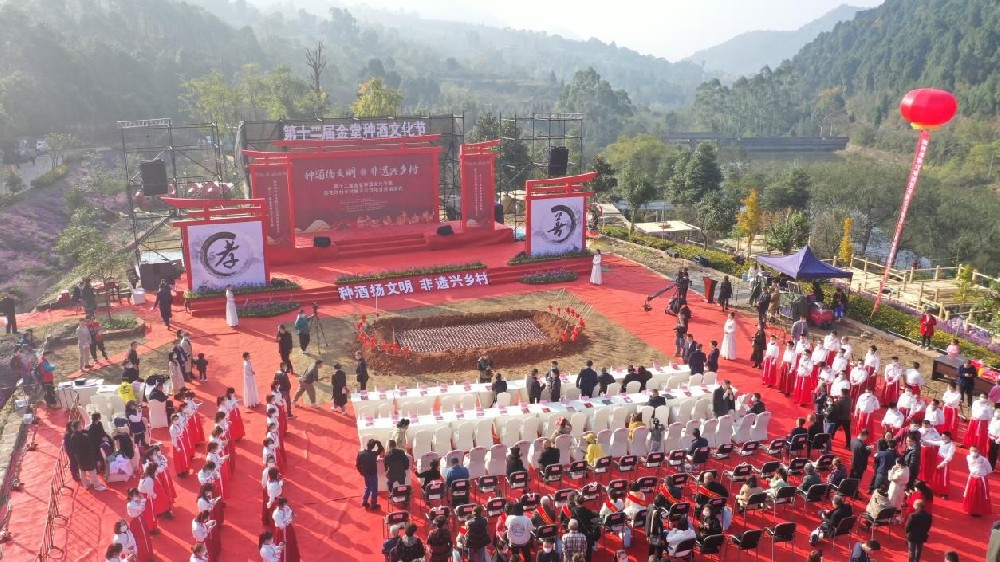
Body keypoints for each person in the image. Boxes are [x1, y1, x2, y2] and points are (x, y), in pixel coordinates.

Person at [963, 446, 992, 516]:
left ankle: (979, 511)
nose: (973, 452)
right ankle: (971, 508)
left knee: (979, 496)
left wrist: (981, 474)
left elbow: (989, 469)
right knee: (971, 494)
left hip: (980, 480)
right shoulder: (968, 457)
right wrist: (973, 471)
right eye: (971, 450)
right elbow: (969, 466)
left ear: (978, 451)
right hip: (972, 478)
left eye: (975, 451)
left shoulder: (984, 460)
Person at [356, 439, 384, 510]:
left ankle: (364, 501)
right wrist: (378, 443)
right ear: (373, 447)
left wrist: (361, 471)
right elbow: (381, 449)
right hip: (373, 474)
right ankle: (373, 505)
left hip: (365, 473)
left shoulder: (360, 453)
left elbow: (357, 464)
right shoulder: (373, 454)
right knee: (374, 490)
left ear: (367, 445)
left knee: (367, 487)